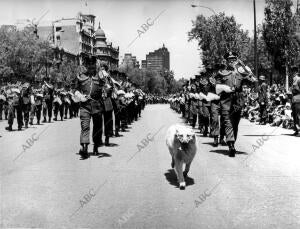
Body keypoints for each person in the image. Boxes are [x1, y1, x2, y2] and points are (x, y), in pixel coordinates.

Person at [216, 51, 257, 157]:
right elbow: (216, 88)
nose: (232, 61)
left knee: (235, 123)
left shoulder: (241, 72)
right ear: (226, 61)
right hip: (226, 100)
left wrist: (248, 71)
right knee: (228, 122)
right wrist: (225, 88)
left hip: (238, 101)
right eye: (230, 59)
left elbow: (253, 80)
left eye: (234, 59)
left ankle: (232, 142)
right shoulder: (221, 72)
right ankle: (230, 145)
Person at [74, 58, 105, 158]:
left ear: (95, 65)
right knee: (85, 126)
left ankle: (96, 146)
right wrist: (79, 95)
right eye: (89, 64)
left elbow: (107, 85)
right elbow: (75, 89)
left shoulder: (100, 76)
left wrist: (104, 76)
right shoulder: (81, 76)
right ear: (86, 65)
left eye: (92, 64)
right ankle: (84, 148)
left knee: (97, 127)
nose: (91, 66)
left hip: (97, 105)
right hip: (85, 105)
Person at [291, 66, 300, 136]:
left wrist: (295, 90)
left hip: (298, 98)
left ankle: (299, 130)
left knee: (297, 115)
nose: (293, 73)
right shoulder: (293, 79)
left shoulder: (299, 79)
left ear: (296, 72)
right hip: (294, 99)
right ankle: (296, 130)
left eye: (294, 72)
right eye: (292, 72)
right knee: (294, 114)